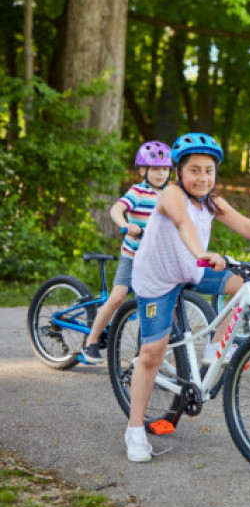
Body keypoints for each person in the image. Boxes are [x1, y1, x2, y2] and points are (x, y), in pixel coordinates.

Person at [124, 133, 250, 463]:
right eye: (194, 170)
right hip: (158, 278)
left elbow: (244, 223)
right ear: (179, 172)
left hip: (192, 270)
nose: (203, 177)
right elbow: (182, 223)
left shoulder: (211, 201)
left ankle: (216, 350)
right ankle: (134, 430)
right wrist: (201, 251)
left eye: (209, 170)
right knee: (152, 353)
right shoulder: (172, 195)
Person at [81, 141, 172, 364]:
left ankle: (154, 347)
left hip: (155, 259)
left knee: (159, 301)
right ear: (143, 170)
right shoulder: (138, 192)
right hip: (133, 256)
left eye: (165, 168)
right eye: (156, 168)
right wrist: (126, 224)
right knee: (118, 297)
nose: (161, 173)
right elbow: (116, 208)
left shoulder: (170, 194)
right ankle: (90, 342)